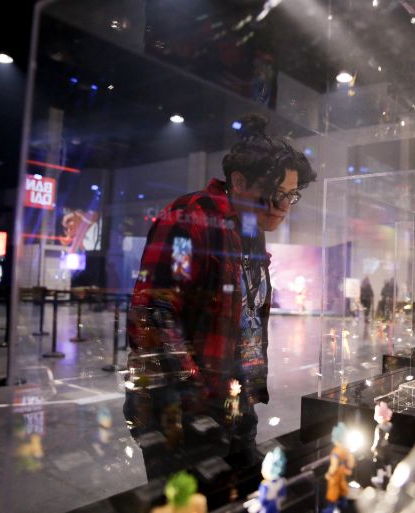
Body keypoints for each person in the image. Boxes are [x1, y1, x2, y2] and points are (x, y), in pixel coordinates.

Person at [124, 114, 316, 479]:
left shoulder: (250, 227)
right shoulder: (190, 218)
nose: (285, 206)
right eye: (277, 193)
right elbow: (155, 310)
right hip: (181, 410)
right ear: (239, 182)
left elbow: (245, 315)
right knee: (187, 500)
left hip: (232, 402)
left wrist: (240, 393)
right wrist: (196, 393)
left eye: (291, 195)